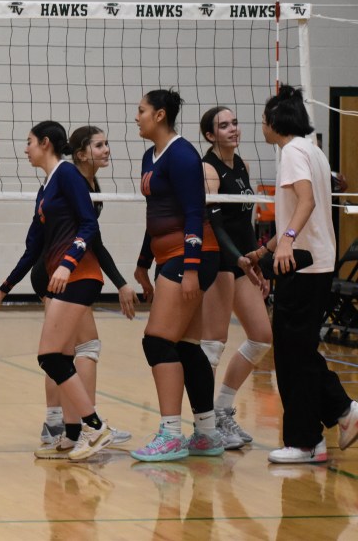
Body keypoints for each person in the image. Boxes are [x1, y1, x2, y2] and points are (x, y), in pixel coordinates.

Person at [243, 85, 358, 463]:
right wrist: (265, 250)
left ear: (274, 122)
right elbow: (296, 210)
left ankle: (307, 441)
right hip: (312, 261)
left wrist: (288, 242)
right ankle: (339, 416)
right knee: (297, 352)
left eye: (263, 121)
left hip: (304, 264)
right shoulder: (312, 151)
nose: (262, 127)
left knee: (294, 355)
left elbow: (305, 202)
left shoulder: (292, 151)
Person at [0, 121, 113, 461]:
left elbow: (89, 223)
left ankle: (95, 426)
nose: (25, 148)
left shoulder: (68, 175)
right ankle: (72, 435)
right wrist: (4, 288)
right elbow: (33, 248)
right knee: (58, 357)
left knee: (49, 356)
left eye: (29, 141)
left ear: (45, 143)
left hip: (79, 275)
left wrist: (68, 262)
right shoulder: (46, 188)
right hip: (62, 277)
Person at [131, 89, 223, 463]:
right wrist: (141, 262)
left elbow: (192, 213)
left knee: (157, 342)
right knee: (185, 346)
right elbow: (156, 214)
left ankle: (170, 434)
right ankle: (207, 434)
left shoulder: (183, 155)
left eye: (141, 111)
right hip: (169, 255)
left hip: (192, 256)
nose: (136, 117)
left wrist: (190, 268)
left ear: (160, 115)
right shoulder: (149, 156)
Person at [39, 126, 136, 449]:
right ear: (80, 153)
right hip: (59, 273)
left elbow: (94, 242)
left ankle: (71, 428)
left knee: (66, 350)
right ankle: (88, 425)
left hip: (66, 271)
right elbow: (85, 237)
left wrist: (121, 283)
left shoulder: (89, 184)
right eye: (99, 145)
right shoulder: (73, 182)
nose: (107, 149)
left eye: (107, 143)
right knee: (76, 349)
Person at [197, 107, 271, 450]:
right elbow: (214, 223)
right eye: (223, 126)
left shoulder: (241, 164)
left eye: (235, 123)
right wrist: (237, 259)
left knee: (261, 336)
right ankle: (206, 426)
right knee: (213, 345)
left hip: (240, 260)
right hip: (216, 260)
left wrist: (255, 262)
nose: (232, 129)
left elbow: (246, 222)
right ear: (210, 135)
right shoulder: (208, 169)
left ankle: (223, 409)